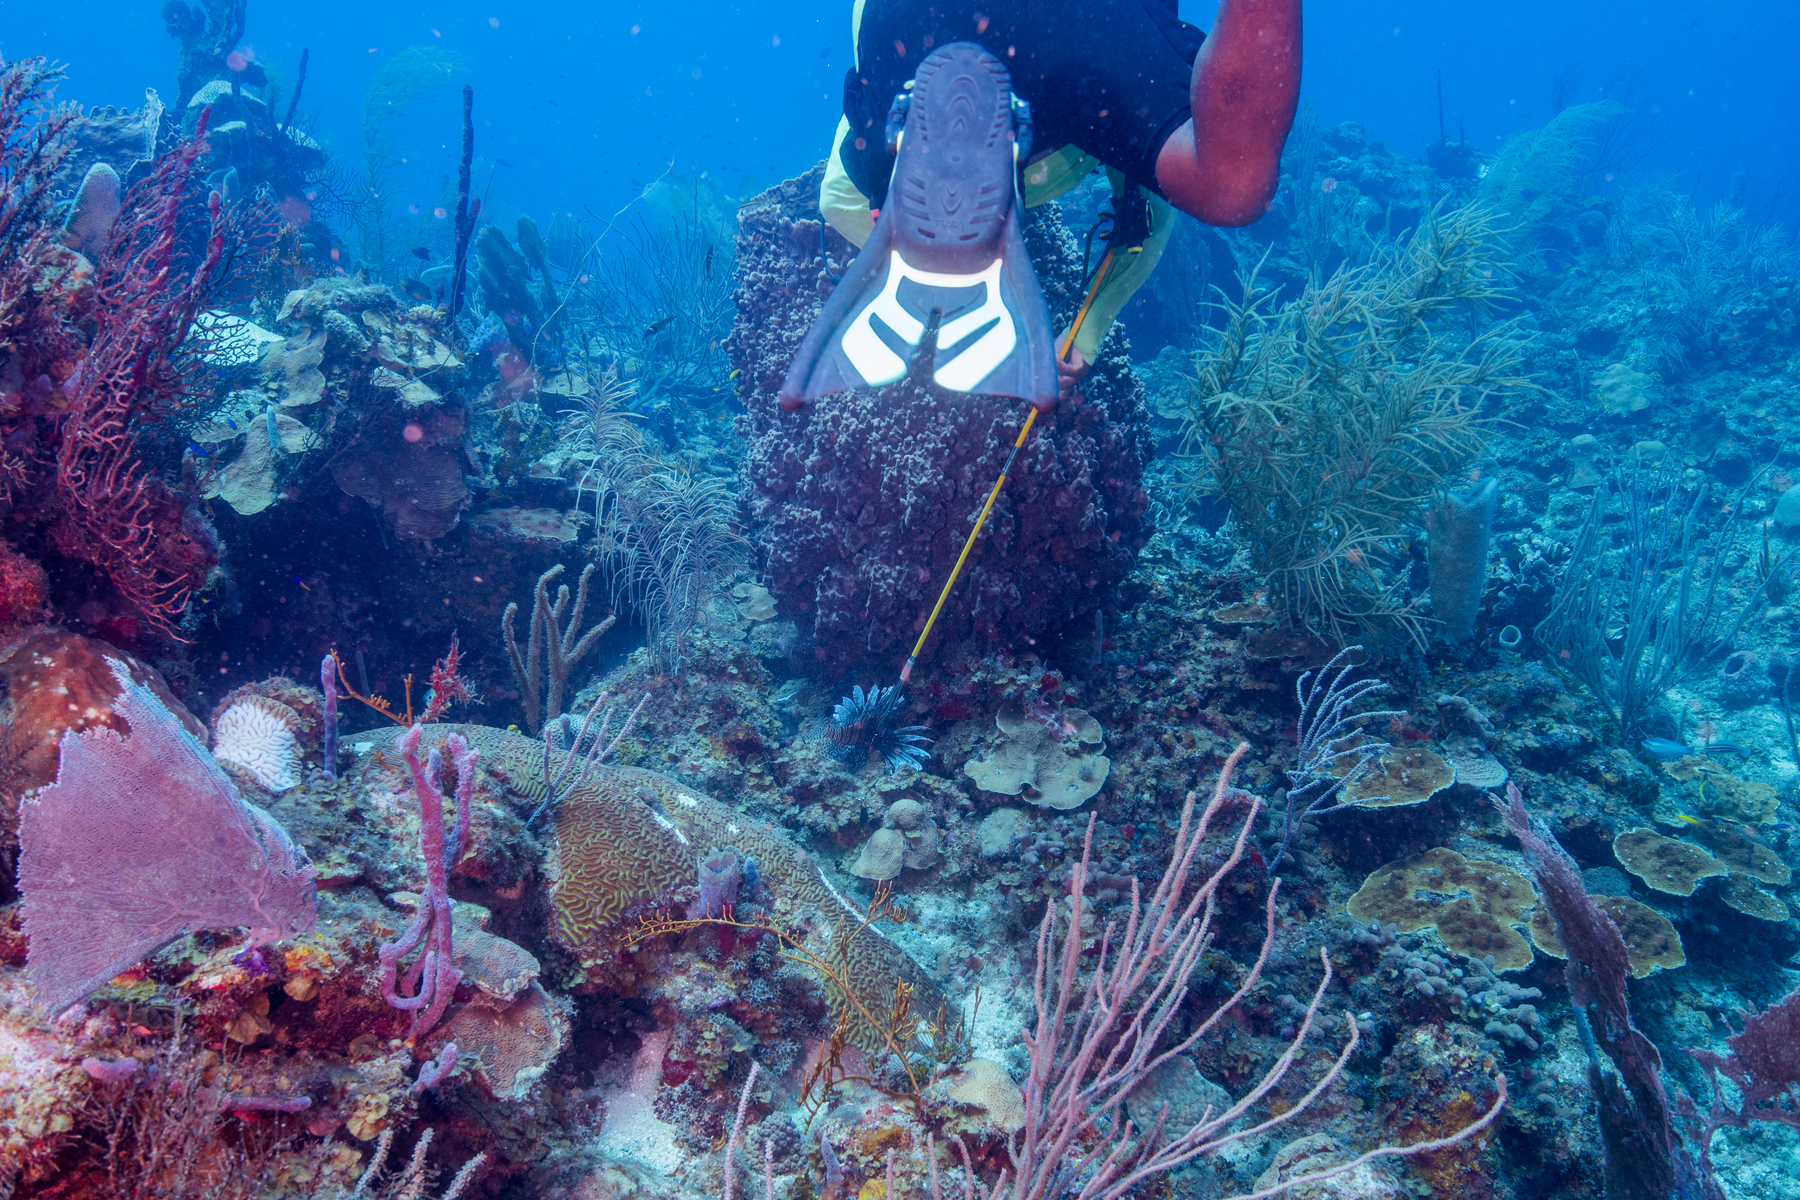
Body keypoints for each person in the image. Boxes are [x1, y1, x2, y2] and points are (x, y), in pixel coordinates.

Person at [817, 0, 1301, 396]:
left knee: (1232, 185)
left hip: (1079, 30)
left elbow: (1149, 208)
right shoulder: (879, 115)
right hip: (910, 33)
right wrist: (1076, 336)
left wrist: (1081, 335)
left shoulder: (1091, 68)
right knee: (1231, 186)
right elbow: (838, 202)